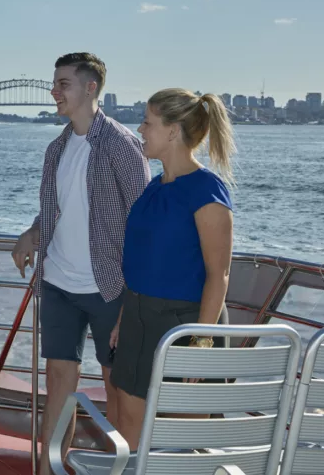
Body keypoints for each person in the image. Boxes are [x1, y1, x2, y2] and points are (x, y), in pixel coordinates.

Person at [11, 53, 150, 475]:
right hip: (57, 283)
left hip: (109, 286)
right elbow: (55, 210)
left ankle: (121, 471)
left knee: (117, 391)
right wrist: (30, 233)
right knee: (57, 382)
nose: (55, 91)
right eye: (55, 83)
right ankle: (49, 472)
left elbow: (144, 220)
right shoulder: (56, 148)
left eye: (64, 84)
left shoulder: (122, 145)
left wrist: (135, 299)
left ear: (91, 88)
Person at [109, 89, 235, 450]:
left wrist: (201, 342)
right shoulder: (154, 187)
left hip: (186, 325)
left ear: (173, 131)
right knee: (130, 430)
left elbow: (218, 274)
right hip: (137, 317)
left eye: (148, 122)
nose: (141, 129)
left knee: (182, 441)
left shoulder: (206, 192)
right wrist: (123, 317)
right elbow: (143, 259)